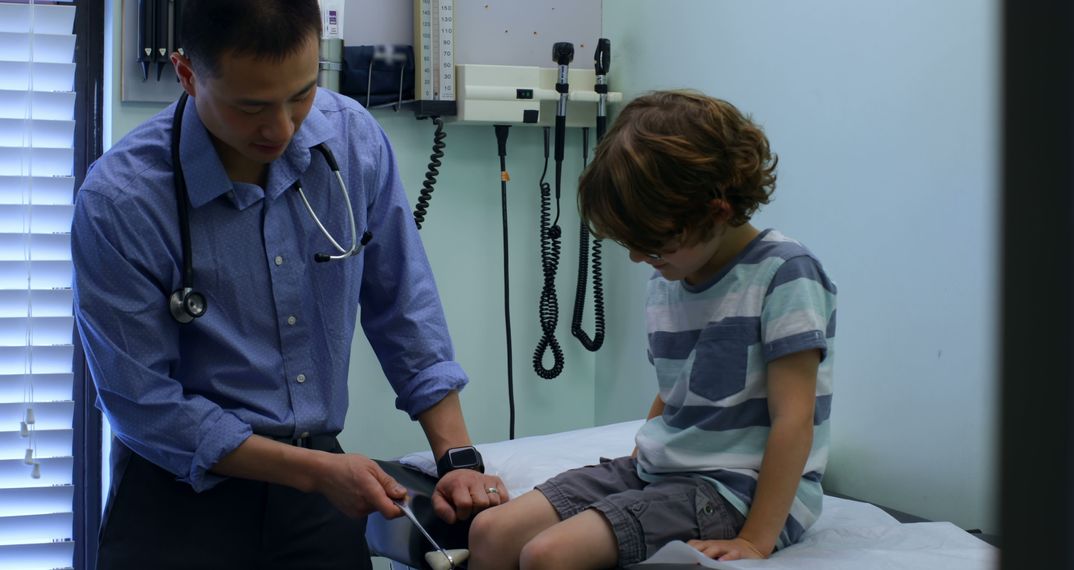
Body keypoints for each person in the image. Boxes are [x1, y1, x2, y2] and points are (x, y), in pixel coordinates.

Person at [71, 1, 506, 568]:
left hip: (318, 489)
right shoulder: (121, 202)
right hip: (178, 494)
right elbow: (143, 404)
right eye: (250, 107)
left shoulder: (352, 141)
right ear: (186, 74)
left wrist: (456, 457)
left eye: (302, 94)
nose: (280, 128)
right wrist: (317, 472)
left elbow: (403, 307)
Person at [468, 90, 838, 569]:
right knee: (492, 531)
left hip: (738, 488)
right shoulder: (671, 275)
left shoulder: (785, 273)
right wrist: (644, 463)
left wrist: (756, 541)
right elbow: (675, 393)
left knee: (548, 555)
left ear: (717, 211)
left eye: (653, 245)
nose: (639, 257)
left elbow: (794, 421)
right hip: (666, 471)